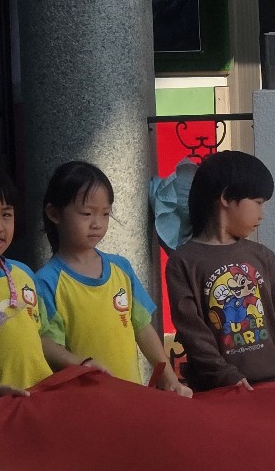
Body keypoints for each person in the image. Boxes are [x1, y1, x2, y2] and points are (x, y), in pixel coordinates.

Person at [166, 151, 275, 391]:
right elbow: (193, 332)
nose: (262, 215)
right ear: (226, 197)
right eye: (258, 203)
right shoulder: (183, 262)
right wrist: (224, 375)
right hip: (216, 392)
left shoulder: (262, 256)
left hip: (269, 388)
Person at [35, 161, 190, 397]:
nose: (97, 223)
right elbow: (47, 345)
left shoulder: (120, 268)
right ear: (54, 213)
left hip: (131, 396)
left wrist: (168, 377)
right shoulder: (46, 282)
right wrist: (81, 365)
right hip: (83, 402)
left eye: (105, 214)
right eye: (86, 214)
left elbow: (143, 328)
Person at [0, 163, 100, 408]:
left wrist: (81, 364)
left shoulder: (23, 274)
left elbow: (40, 337)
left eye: (6, 214)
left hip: (34, 406)